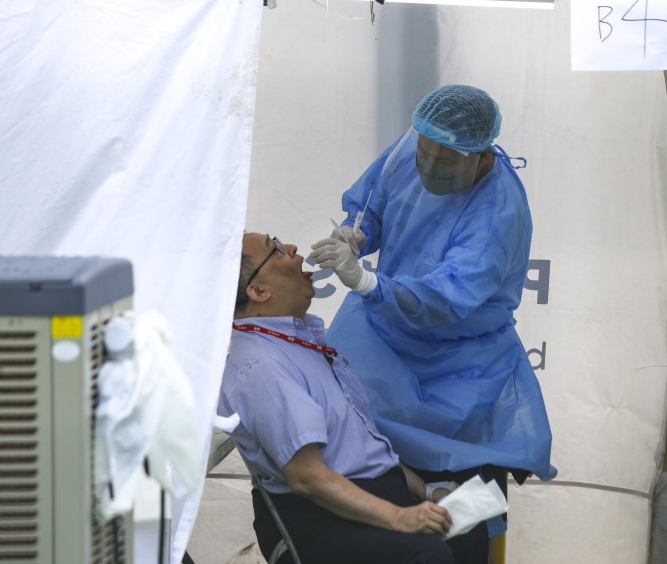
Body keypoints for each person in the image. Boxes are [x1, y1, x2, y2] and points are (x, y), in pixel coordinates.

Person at [309, 85, 557, 536]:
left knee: (460, 513)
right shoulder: (415, 146)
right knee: (355, 443)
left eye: (444, 161)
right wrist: (356, 234)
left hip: (458, 362)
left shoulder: (496, 214)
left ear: (482, 155)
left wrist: (367, 282)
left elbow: (445, 299)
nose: (427, 166)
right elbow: (374, 201)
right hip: (380, 334)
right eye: (423, 152)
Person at [217, 231, 488, 564]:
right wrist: (400, 517)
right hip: (322, 518)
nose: (291, 248)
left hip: (366, 500)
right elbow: (308, 478)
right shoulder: (262, 366)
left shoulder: (300, 343)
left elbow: (360, 451)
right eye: (274, 250)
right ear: (258, 291)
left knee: (471, 527)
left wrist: (427, 491)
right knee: (426, 555)